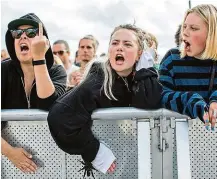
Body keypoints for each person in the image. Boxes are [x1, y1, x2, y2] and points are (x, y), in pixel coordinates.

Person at [47, 24, 162, 177]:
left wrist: (146, 68)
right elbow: (59, 116)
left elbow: (150, 102)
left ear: (139, 53)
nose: (119, 47)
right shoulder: (100, 78)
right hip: (105, 163)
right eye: (115, 43)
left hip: (134, 158)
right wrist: (94, 151)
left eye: (127, 44)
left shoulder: (140, 76)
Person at [1, 13, 67, 173]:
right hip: (5, 156)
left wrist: (38, 58)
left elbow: (47, 105)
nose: (23, 37)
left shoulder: (57, 71)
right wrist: (10, 153)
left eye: (31, 33)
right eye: (17, 34)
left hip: (51, 155)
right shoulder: (3, 71)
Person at [159, 4, 217, 131]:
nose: (184, 33)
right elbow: (161, 95)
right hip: (180, 138)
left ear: (212, 34)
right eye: (184, 27)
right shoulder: (172, 59)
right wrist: (190, 100)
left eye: (194, 28)